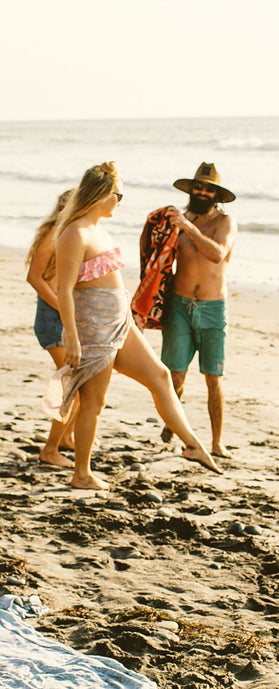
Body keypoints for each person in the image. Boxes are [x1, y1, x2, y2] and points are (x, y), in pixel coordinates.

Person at [52, 161, 221, 489]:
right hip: (94, 326)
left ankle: (193, 445)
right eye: (119, 195)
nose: (119, 201)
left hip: (119, 320)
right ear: (104, 194)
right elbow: (64, 289)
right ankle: (81, 474)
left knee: (160, 376)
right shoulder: (75, 232)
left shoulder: (98, 228)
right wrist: (71, 337)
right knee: (94, 402)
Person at [157, 163, 237, 458]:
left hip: (213, 307)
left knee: (212, 378)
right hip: (178, 305)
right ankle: (173, 424)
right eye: (198, 187)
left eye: (209, 188)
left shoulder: (224, 222)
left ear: (216, 194)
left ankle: (216, 442)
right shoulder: (179, 218)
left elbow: (216, 254)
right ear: (191, 189)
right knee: (174, 377)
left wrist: (187, 227)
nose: (202, 192)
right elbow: (156, 257)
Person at [26, 189, 78, 467]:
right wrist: (61, 306)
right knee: (73, 385)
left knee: (80, 382)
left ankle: (66, 439)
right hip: (51, 316)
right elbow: (34, 277)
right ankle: (50, 450)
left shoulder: (73, 234)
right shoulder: (55, 233)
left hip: (63, 315)